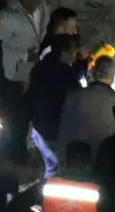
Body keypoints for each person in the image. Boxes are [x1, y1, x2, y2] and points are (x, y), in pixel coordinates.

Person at [26, 34, 83, 178]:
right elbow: (77, 100)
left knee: (50, 166)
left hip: (38, 126)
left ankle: (45, 195)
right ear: (64, 52)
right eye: (73, 52)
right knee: (59, 169)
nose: (75, 55)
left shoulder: (40, 67)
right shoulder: (66, 74)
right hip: (55, 129)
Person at [57, 56, 115, 161]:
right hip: (102, 162)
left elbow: (64, 129)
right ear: (112, 75)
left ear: (94, 72)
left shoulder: (72, 95)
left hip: (73, 160)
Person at [0, 0, 51, 85]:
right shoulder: (9, 16)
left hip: (29, 69)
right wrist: (24, 55)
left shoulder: (44, 13)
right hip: (10, 71)